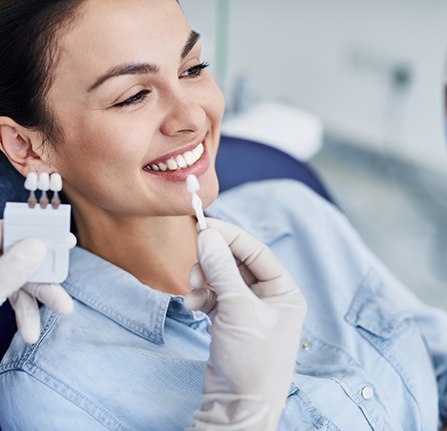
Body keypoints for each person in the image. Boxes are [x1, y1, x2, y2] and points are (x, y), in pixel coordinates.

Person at [0, 0, 445, 430]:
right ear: (26, 145)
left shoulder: (294, 212)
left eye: (192, 69)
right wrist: (238, 416)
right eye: (134, 96)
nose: (192, 117)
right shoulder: (51, 388)